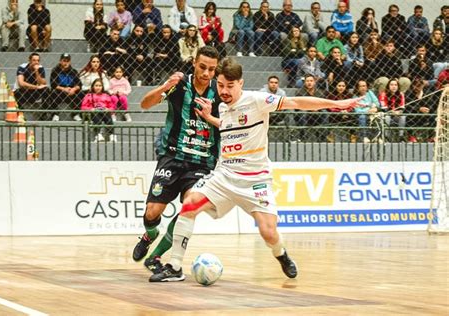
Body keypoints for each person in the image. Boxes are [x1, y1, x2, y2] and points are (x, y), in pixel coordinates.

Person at [149, 58, 363, 282]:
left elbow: (296, 102)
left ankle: (281, 254)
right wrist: (209, 117)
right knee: (190, 203)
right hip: (224, 176)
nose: (224, 91)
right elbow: (229, 127)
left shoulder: (258, 100)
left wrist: (336, 104)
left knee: (268, 232)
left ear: (241, 83)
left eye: (230, 86)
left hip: (255, 180)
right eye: (220, 85)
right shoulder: (222, 107)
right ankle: (174, 267)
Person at [132, 46, 222, 274]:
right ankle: (149, 235)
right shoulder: (180, 85)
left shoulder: (220, 92)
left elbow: (232, 124)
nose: (206, 73)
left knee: (189, 206)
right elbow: (144, 104)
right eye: (202, 67)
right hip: (172, 157)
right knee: (152, 212)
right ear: (194, 62)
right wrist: (165, 86)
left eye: (211, 69)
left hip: (202, 163)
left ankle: (156, 257)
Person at [13, 52, 50, 120]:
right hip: (23, 92)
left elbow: (43, 83)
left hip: (34, 93)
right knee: (17, 92)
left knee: (46, 89)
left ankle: (44, 114)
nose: (36, 62)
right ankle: (20, 114)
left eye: (38, 60)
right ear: (29, 60)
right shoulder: (22, 67)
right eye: (34, 60)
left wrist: (36, 71)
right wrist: (36, 87)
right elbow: (21, 83)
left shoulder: (40, 68)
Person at [49, 53, 83, 122]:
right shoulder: (55, 71)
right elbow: (53, 85)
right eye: (64, 60)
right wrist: (64, 89)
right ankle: (55, 114)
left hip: (71, 92)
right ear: (60, 61)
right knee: (52, 92)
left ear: (70, 62)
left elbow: (79, 84)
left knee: (80, 93)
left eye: (67, 61)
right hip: (60, 92)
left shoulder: (73, 71)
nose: (66, 63)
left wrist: (74, 89)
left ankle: (75, 114)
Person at [81, 78, 116, 143]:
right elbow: (83, 107)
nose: (98, 87)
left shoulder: (106, 95)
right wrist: (91, 109)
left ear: (102, 87)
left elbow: (112, 107)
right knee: (97, 116)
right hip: (93, 113)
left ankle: (112, 135)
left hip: (104, 112)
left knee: (107, 116)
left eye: (100, 86)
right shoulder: (88, 95)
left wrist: (107, 109)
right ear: (93, 87)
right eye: (96, 85)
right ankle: (98, 134)